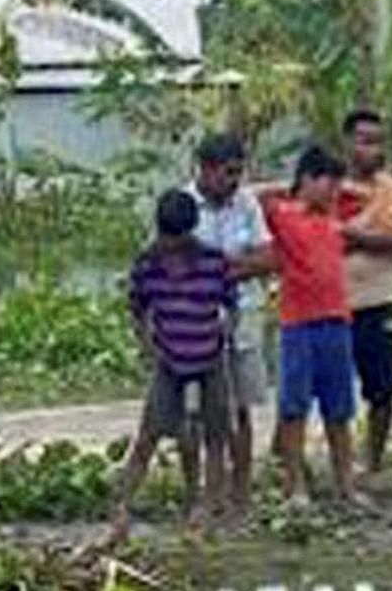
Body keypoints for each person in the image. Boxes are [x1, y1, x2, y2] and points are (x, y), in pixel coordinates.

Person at [111, 190, 241, 540]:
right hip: (169, 361)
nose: (171, 247)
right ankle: (122, 505)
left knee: (214, 435)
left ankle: (206, 505)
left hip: (210, 358)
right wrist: (146, 345)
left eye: (178, 241)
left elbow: (232, 304)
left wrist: (227, 331)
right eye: (167, 240)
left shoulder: (215, 262)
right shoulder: (146, 264)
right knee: (149, 435)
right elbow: (137, 309)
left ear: (191, 233)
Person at [257, 148, 359, 506]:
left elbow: (361, 196)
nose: (335, 191)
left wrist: (330, 191)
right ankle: (294, 484)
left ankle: (345, 484)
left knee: (339, 409)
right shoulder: (283, 215)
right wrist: (293, 189)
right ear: (309, 180)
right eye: (328, 183)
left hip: (337, 321)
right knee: (294, 407)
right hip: (298, 324)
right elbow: (253, 195)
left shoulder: (335, 214)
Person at [336, 109, 392, 473]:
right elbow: (316, 241)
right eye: (366, 141)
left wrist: (351, 236)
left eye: (379, 141)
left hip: (380, 301)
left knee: (382, 389)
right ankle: (334, 460)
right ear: (348, 144)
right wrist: (369, 240)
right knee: (330, 388)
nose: (375, 149)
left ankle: (373, 460)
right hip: (334, 304)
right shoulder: (328, 185)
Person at [185, 132, 276, 451]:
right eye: (229, 172)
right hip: (197, 325)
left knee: (241, 410)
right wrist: (236, 264)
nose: (236, 180)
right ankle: (203, 491)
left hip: (244, 319)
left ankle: (239, 492)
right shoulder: (182, 207)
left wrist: (216, 268)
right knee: (196, 412)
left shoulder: (247, 202)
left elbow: (267, 258)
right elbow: (179, 268)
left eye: (239, 172)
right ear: (206, 169)